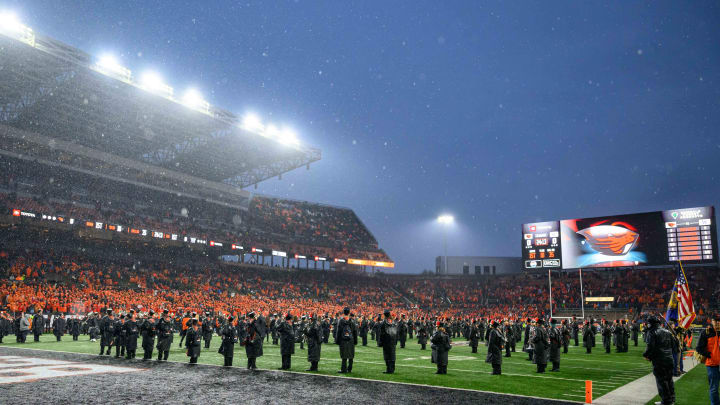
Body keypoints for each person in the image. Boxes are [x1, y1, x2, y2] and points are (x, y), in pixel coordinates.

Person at [643, 316, 675, 405]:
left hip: (659, 360)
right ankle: (671, 399)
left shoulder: (652, 332)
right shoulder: (667, 331)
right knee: (669, 380)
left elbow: (650, 347)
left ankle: (666, 401)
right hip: (669, 359)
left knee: (662, 381)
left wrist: (646, 355)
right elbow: (673, 346)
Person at [696, 314, 720, 405]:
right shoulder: (706, 332)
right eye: (715, 320)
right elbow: (699, 348)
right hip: (712, 365)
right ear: (712, 321)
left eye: (719, 320)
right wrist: (710, 355)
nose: (718, 322)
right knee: (714, 388)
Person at [335, 307, 357, 373]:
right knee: (351, 355)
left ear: (343, 312)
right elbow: (355, 332)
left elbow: (338, 332)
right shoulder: (352, 321)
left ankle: (343, 369)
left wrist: (337, 341)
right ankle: (349, 369)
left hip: (343, 340)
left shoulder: (341, 321)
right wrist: (355, 341)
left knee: (344, 355)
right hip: (351, 340)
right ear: (349, 313)